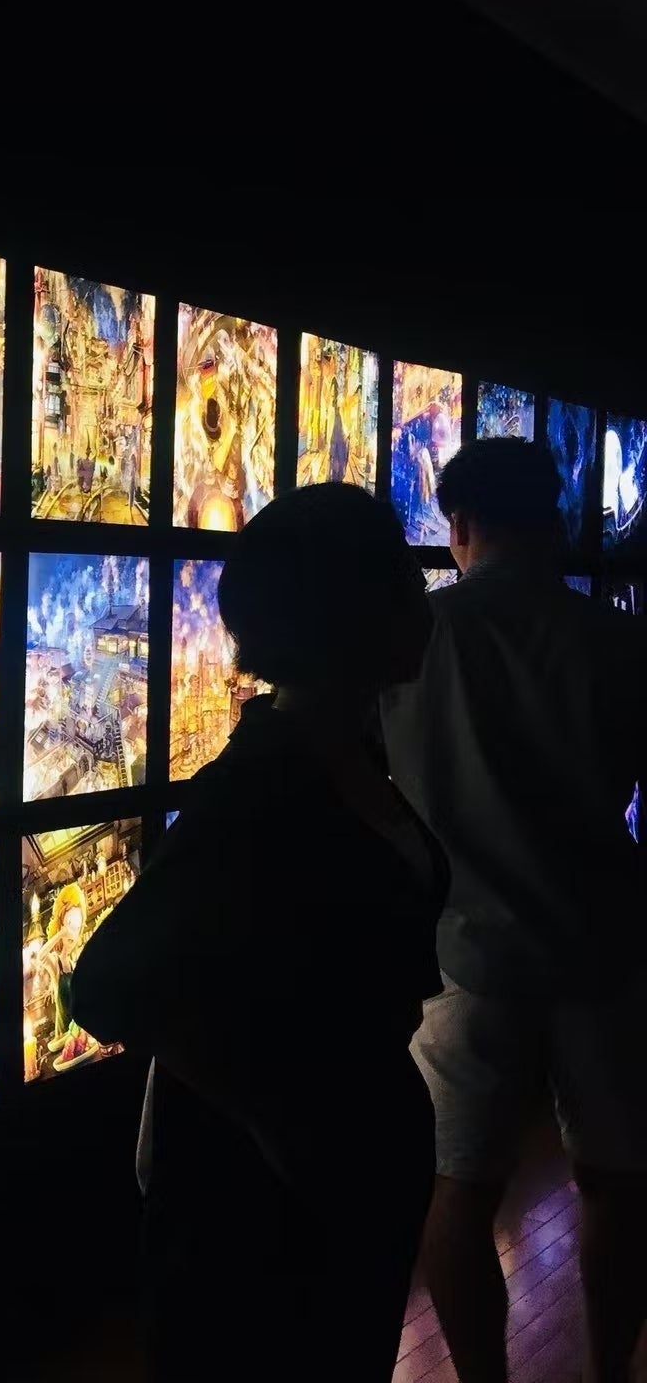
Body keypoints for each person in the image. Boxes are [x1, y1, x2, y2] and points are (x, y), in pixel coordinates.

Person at [70, 483, 445, 1380]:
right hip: (256, 1226)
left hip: (343, 1185)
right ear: (348, 612)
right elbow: (107, 983)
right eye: (401, 575)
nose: (423, 594)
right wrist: (280, 1120)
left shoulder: (346, 756)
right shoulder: (263, 784)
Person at [380, 437, 647, 1383]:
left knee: (456, 1193)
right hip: (602, 941)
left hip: (462, 952)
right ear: (553, 520)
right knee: (616, 1181)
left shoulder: (418, 637)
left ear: (459, 525)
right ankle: (609, 1369)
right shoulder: (614, 640)